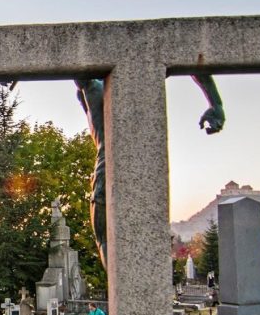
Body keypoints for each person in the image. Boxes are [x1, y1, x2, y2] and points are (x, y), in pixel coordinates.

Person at [76, 74, 224, 268]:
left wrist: (216, 105)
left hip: (113, 171)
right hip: (135, 170)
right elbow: (195, 62)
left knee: (106, 240)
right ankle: (127, 293)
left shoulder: (91, 86)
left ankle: (125, 293)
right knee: (115, 242)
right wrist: (217, 104)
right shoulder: (95, 87)